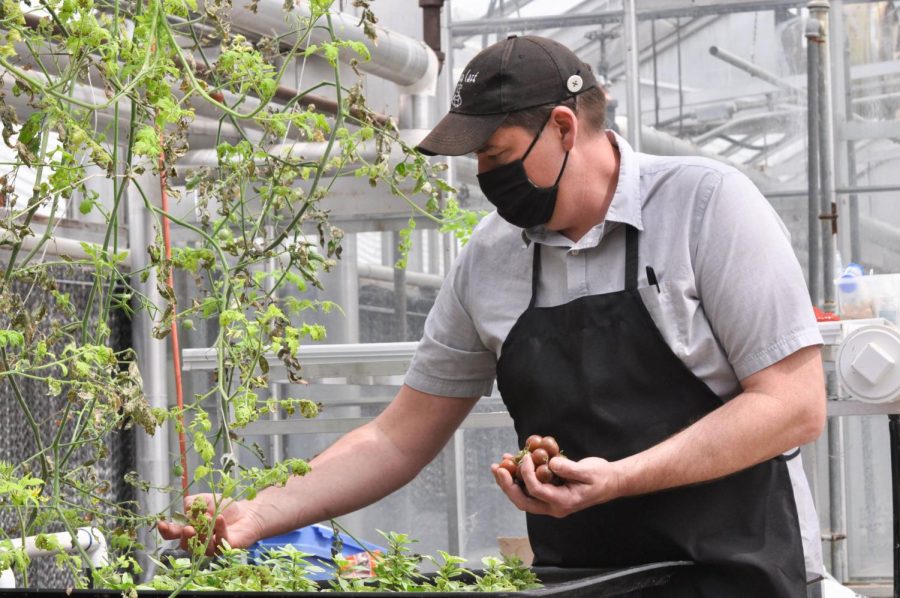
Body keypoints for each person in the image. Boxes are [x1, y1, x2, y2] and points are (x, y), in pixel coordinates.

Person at [160, 35, 827, 597]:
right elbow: (398, 436)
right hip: (583, 578)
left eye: (497, 155)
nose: (485, 175)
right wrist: (260, 515)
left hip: (737, 572)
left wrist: (621, 478)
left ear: (564, 127)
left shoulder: (704, 207)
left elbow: (792, 405)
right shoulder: (492, 259)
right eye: (476, 159)